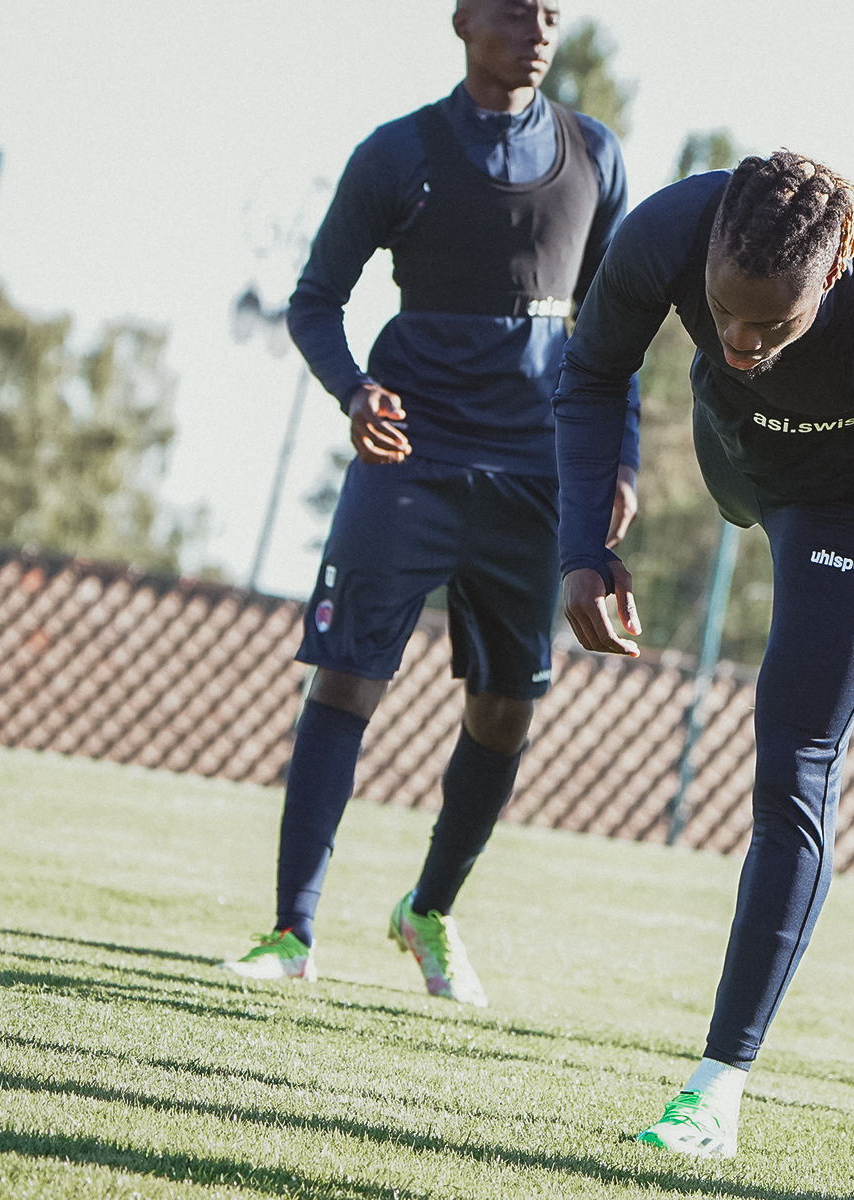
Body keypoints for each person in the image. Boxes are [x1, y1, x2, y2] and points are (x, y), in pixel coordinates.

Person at [551, 151, 854, 1157]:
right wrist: (582, 547)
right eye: (727, 314)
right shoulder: (667, 235)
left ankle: (717, 1089)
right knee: (729, 427)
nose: (746, 339)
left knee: (795, 759)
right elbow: (589, 372)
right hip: (739, 453)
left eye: (774, 323)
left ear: (837, 269)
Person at [219, 0, 639, 1003]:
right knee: (347, 677)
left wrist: (615, 461)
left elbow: (614, 331)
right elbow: (315, 300)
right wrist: (353, 392)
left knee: (504, 709)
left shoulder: (597, 157)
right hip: (409, 451)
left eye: (549, 10)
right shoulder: (395, 151)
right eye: (511, 8)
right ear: (460, 20)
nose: (535, 25)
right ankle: (291, 932)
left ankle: (430, 912)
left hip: (535, 472)